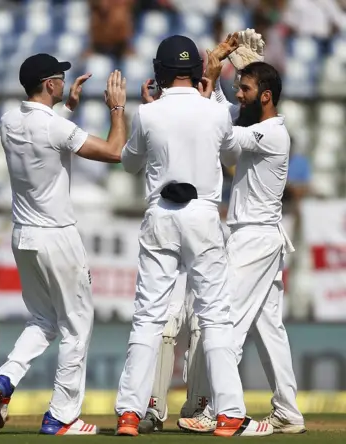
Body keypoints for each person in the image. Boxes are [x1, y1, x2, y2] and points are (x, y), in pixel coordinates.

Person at [112, 35, 273, 437]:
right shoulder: (214, 113)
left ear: (159, 73)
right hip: (202, 215)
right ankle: (230, 414)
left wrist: (140, 113)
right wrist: (215, 96)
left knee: (149, 316)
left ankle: (129, 414)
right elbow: (232, 155)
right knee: (216, 315)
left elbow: (129, 164)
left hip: (160, 215)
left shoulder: (148, 115)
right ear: (197, 73)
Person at [0, 53, 128, 436]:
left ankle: (5, 379)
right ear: (48, 85)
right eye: (59, 79)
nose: (64, 81)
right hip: (57, 235)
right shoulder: (57, 127)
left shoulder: (9, 122)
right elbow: (114, 151)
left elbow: (43, 128)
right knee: (77, 327)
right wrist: (117, 108)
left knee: (43, 320)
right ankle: (61, 416)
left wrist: (65, 107)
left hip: (23, 237)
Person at [177, 30, 306, 435]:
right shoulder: (262, 129)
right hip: (258, 237)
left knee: (224, 320)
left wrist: (212, 85)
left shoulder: (272, 133)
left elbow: (224, 139)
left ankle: (218, 410)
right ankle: (288, 411)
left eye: (245, 88)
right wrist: (239, 73)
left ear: (266, 96)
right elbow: (229, 139)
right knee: (269, 330)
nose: (239, 95)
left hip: (254, 239)